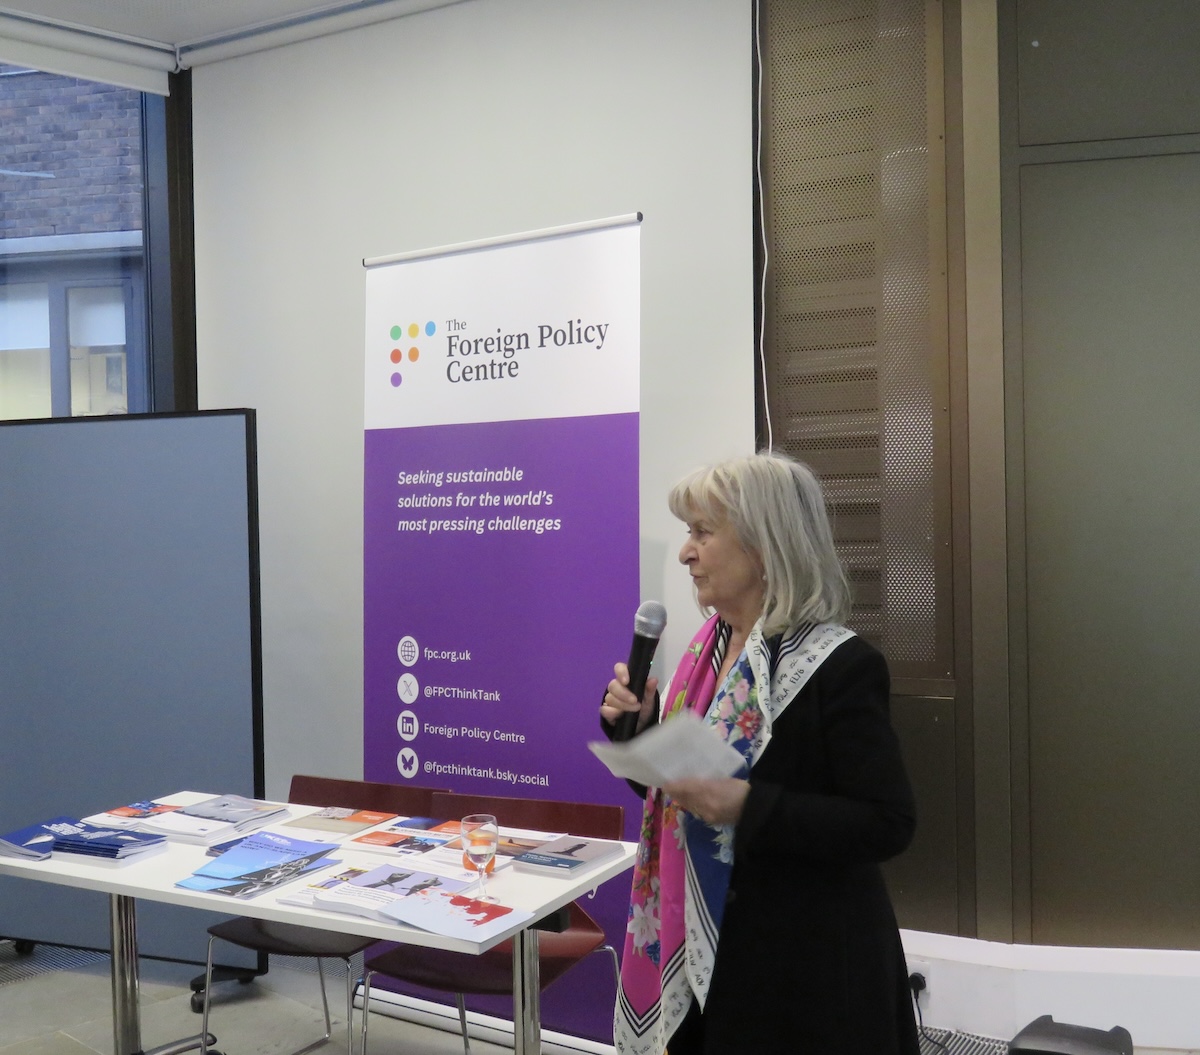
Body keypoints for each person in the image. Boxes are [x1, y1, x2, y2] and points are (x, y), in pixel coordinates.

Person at [600, 451, 919, 1055]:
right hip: (708, 958)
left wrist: (750, 806)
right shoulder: (704, 650)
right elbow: (679, 795)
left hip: (803, 971)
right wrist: (637, 730)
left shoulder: (839, 666)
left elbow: (887, 822)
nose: (686, 552)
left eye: (702, 532)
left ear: (765, 544)